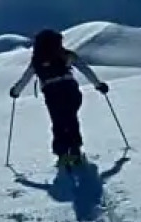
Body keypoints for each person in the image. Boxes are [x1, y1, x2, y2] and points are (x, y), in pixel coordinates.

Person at [9, 29, 109, 168]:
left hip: (52, 94)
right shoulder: (66, 54)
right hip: (70, 90)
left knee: (58, 122)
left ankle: (62, 154)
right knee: (71, 118)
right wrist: (99, 85)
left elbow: (26, 78)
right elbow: (85, 69)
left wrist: (15, 91)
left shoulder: (37, 60)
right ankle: (75, 151)